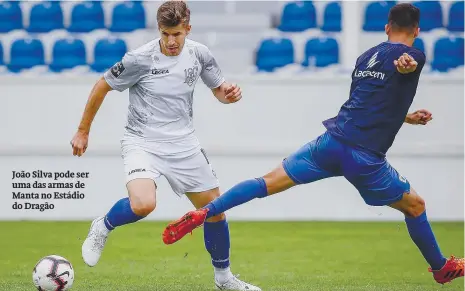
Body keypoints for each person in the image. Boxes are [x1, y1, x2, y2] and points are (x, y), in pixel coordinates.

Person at [162, 3, 464, 285]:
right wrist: (407, 66)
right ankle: (441, 268)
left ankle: (206, 212)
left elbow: (368, 103)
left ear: (386, 28)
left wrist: (407, 117)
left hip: (330, 143)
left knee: (266, 181)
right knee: (416, 206)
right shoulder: (414, 56)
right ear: (417, 32)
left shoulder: (364, 58)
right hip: (364, 159)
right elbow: (406, 65)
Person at [70, 1, 261, 290]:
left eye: (177, 34)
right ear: (159, 30)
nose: (171, 41)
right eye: (165, 34)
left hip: (184, 144)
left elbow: (219, 91)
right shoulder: (139, 58)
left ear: (188, 29)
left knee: (215, 210)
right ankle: (103, 226)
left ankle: (224, 279)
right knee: (144, 204)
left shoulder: (200, 54)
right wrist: (83, 131)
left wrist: (230, 94)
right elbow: (102, 85)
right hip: (142, 141)